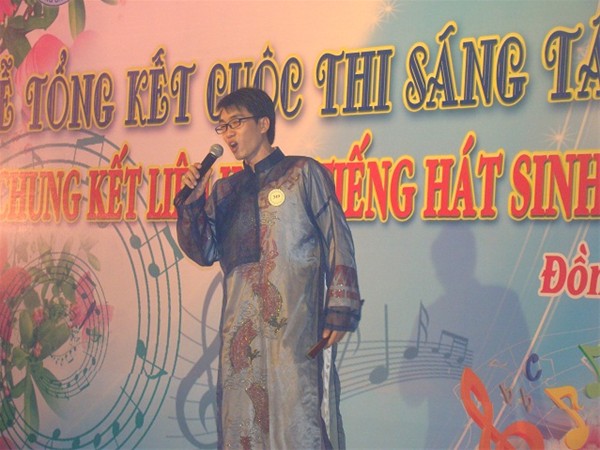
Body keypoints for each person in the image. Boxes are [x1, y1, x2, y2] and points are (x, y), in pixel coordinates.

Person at [176, 87, 363, 449]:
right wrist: (193, 202)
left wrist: (340, 306)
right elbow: (203, 250)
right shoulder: (226, 191)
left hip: (295, 331)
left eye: (236, 122)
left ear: (263, 124)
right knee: (243, 423)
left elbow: (337, 237)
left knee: (300, 422)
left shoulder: (302, 173)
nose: (228, 133)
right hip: (241, 337)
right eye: (223, 126)